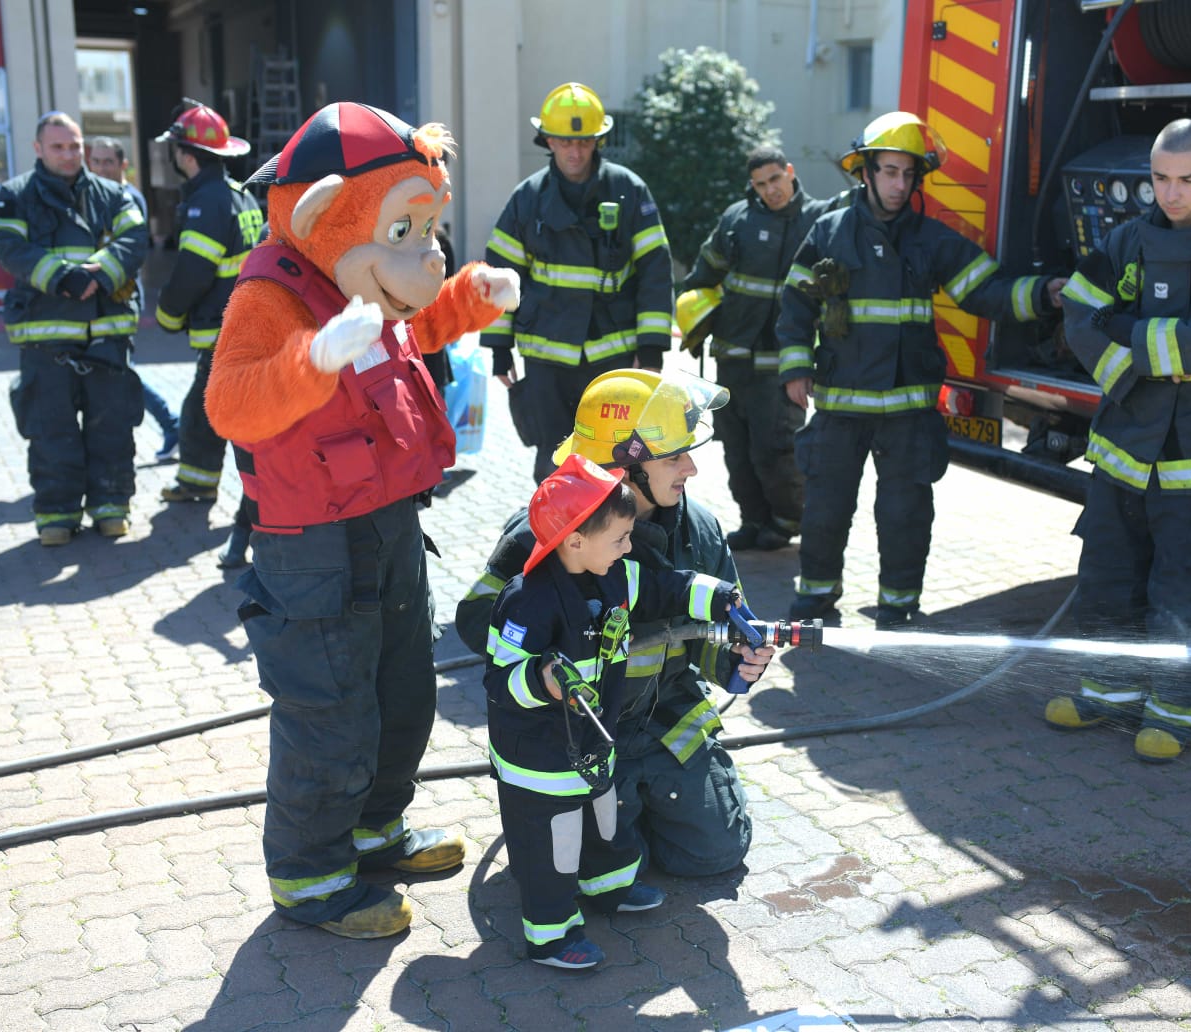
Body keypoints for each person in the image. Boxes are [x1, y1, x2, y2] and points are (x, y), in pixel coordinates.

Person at [205, 103, 519, 938]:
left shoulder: (352, 274)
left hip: (387, 520)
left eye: (431, 230)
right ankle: (311, 875)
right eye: (406, 231)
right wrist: (313, 359)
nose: (427, 252)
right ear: (321, 216)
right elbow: (230, 403)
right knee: (329, 710)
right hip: (313, 544)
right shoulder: (272, 293)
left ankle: (375, 830)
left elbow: (409, 330)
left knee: (402, 689)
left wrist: (466, 298)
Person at [456, 369, 772, 879]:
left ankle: (638, 809)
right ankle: (613, 817)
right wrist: (568, 630)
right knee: (582, 872)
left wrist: (739, 660)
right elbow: (474, 622)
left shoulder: (699, 529)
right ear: (625, 468)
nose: (690, 468)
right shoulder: (552, 532)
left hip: (663, 718)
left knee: (713, 854)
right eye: (674, 456)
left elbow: (717, 635)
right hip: (576, 734)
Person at [1049, 118, 1191, 763]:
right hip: (1126, 450)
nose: (1171, 194)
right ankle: (1107, 692)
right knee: (1106, 578)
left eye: (1186, 180)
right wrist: (1131, 365)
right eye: (1159, 179)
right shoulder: (1127, 239)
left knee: (1179, 594)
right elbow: (1079, 309)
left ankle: (1176, 714)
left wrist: (1133, 340)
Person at [775, 111, 1063, 628]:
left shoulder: (933, 239)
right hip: (841, 404)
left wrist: (1044, 294)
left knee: (906, 516)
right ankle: (815, 601)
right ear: (865, 172)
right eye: (888, 171)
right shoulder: (829, 233)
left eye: (908, 174)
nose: (898, 183)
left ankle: (899, 605)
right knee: (825, 511)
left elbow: (988, 291)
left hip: (909, 409)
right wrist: (795, 368)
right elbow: (795, 305)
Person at [484, 452, 745, 968]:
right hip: (538, 758)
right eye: (621, 540)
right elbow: (498, 680)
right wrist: (542, 679)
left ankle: (609, 886)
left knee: (606, 819)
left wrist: (716, 595)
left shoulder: (614, 574)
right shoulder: (527, 601)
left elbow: (664, 589)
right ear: (575, 540)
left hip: (589, 740)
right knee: (552, 848)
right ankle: (551, 935)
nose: (630, 548)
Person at [481, 81, 673, 483]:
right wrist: (499, 347)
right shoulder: (527, 198)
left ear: (597, 140)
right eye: (564, 141)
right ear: (548, 140)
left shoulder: (629, 191)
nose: (574, 152)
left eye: (583, 142)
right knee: (553, 461)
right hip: (546, 359)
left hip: (612, 357)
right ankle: (561, 538)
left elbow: (655, 269)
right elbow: (500, 275)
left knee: (616, 459)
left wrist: (651, 347)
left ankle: (618, 540)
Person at [0, 111, 150, 545]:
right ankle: (56, 516)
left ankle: (112, 509)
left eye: (74, 146)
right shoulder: (15, 195)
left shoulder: (113, 194)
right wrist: (60, 274)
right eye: (58, 146)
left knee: (111, 427)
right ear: (38, 149)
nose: (68, 154)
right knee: (50, 430)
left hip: (106, 335)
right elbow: (8, 246)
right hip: (46, 339)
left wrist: (98, 272)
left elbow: (135, 237)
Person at [680, 145, 832, 552]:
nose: (771, 190)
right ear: (753, 186)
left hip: (781, 363)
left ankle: (785, 522)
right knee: (737, 449)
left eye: (776, 179)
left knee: (776, 449)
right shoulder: (736, 220)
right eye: (761, 184)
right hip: (731, 358)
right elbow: (704, 273)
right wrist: (693, 313)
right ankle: (753, 520)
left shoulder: (817, 220)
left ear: (790, 172)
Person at [152, 100, 264, 505]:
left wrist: (167, 314)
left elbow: (192, 273)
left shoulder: (207, 203)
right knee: (210, 412)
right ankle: (201, 482)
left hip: (222, 330)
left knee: (205, 415)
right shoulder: (240, 195)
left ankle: (210, 487)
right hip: (243, 324)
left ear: (185, 154)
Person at [87, 135, 181, 463]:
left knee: (123, 370)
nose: (100, 168)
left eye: (107, 162)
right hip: (100, 302)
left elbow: (130, 253)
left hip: (121, 301)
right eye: (95, 161)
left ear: (123, 165)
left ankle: (171, 425)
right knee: (120, 369)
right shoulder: (92, 196)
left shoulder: (129, 198)